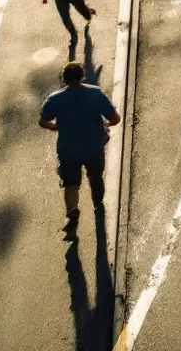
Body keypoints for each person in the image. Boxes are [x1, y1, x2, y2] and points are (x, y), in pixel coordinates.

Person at [39, 62, 121, 241]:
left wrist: (55, 127)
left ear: (64, 79)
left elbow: (43, 121)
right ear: (82, 76)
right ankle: (97, 202)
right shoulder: (95, 94)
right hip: (93, 147)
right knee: (96, 176)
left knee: (71, 185)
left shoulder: (55, 99)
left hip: (68, 151)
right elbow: (115, 118)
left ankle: (72, 213)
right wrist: (105, 125)